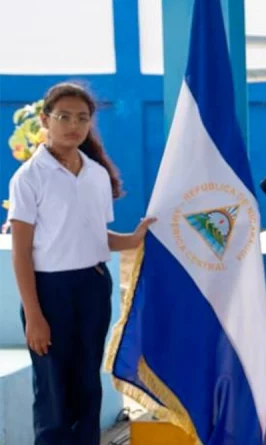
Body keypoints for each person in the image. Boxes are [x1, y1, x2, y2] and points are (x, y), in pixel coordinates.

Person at [8, 82, 155, 445]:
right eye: (64, 117)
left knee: (87, 381)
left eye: (82, 118)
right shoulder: (29, 178)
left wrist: (133, 238)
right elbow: (21, 251)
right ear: (46, 120)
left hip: (92, 285)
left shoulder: (96, 174)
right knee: (54, 388)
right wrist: (35, 315)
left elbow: (94, 236)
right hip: (49, 291)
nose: (73, 125)